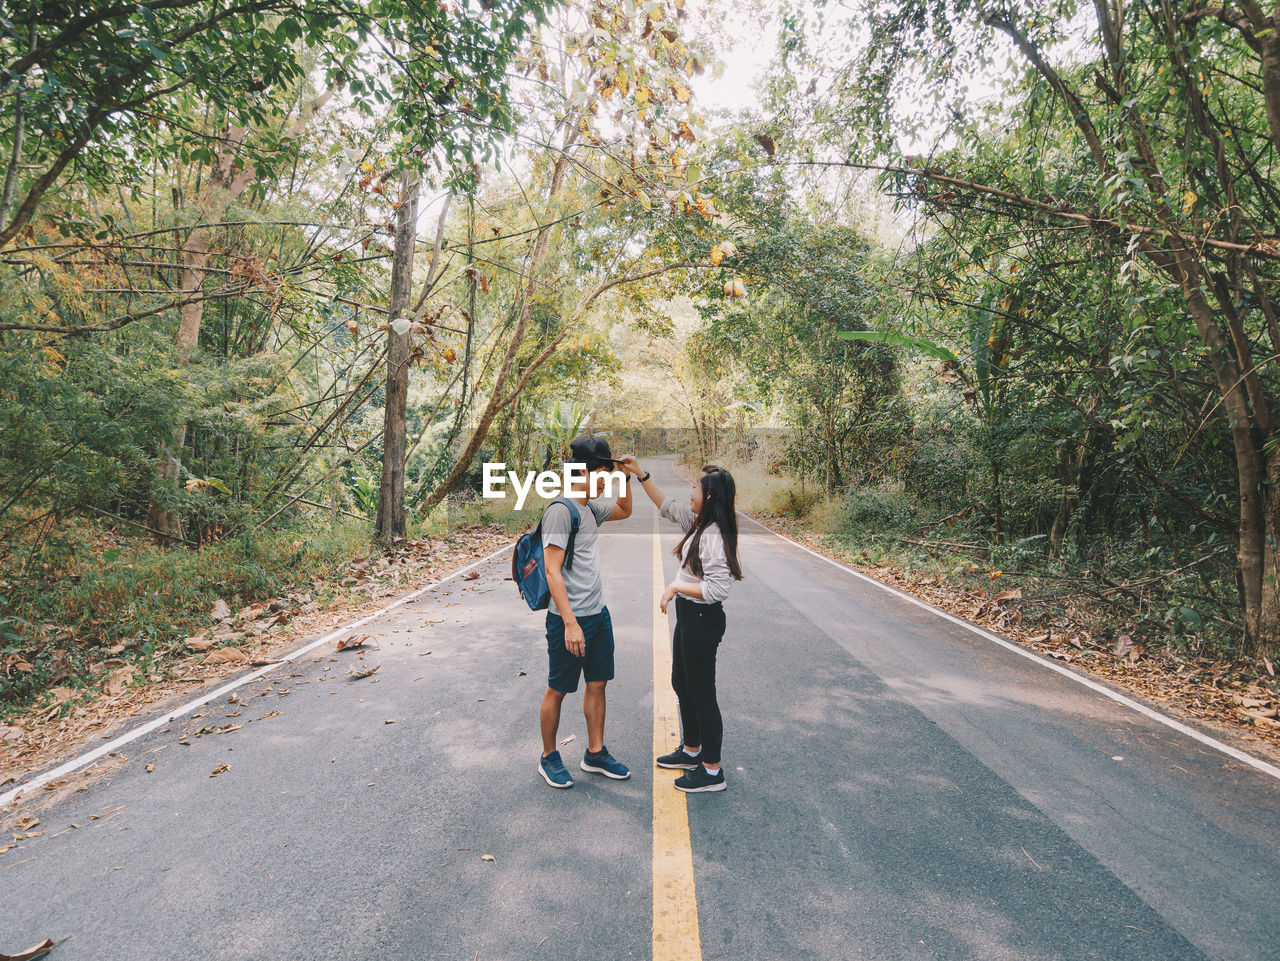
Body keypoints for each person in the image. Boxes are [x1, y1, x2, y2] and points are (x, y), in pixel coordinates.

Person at [620, 456, 742, 793]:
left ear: (710, 496)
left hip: (703, 618)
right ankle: (692, 751)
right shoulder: (699, 521)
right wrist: (639, 473)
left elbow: (718, 589)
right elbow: (666, 505)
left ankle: (712, 772)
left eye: (695, 487)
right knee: (682, 683)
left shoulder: (713, 534)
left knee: (702, 693)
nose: (690, 491)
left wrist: (674, 587)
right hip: (690, 615)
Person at [538, 435, 634, 789]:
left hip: (597, 615)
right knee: (558, 689)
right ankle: (548, 757)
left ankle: (595, 753)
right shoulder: (561, 511)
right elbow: (552, 570)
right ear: (587, 472)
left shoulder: (590, 509)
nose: (606, 483)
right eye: (605, 475)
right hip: (569, 621)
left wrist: (625, 477)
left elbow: (625, 510)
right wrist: (570, 623)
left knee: (597, 684)